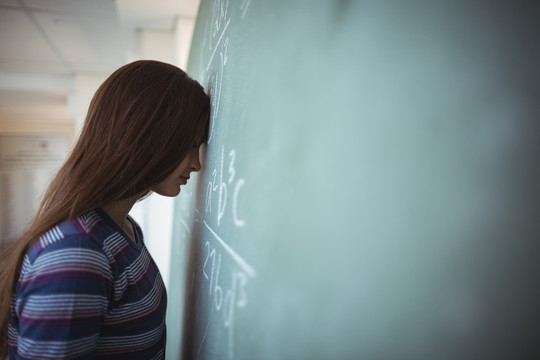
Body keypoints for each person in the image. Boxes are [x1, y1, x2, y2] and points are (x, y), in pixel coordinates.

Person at [0, 60, 210, 359]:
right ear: (149, 138)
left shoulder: (124, 229)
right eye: (189, 145)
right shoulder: (77, 254)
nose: (196, 164)